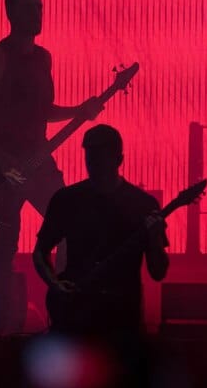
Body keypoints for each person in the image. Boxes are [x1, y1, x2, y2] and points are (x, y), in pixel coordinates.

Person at [0, 0, 105, 334]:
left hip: (39, 161)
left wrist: (79, 111)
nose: (38, 14)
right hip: (4, 168)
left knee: (70, 227)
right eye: (30, 8)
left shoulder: (44, 58)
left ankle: (63, 312)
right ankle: (2, 325)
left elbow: (44, 111)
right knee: (5, 246)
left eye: (40, 7)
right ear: (11, 14)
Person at [33, 123, 169, 350]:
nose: (94, 163)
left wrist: (154, 238)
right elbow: (40, 252)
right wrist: (55, 284)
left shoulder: (143, 205)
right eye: (90, 156)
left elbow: (158, 271)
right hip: (78, 316)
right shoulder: (67, 200)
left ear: (118, 159)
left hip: (121, 318)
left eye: (100, 156)